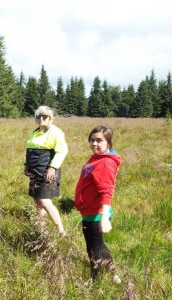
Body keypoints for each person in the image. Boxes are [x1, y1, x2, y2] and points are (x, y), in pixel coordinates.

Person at [75, 125, 121, 283]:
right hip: (91, 211)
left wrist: (103, 218)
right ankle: (114, 273)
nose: (94, 144)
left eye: (99, 140)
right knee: (99, 245)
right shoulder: (98, 157)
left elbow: (106, 191)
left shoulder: (105, 163)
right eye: (92, 140)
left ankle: (96, 281)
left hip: (95, 214)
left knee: (93, 249)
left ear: (108, 142)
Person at [24, 105, 68, 235]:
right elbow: (30, 151)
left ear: (51, 118)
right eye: (38, 116)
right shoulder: (35, 132)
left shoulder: (56, 132)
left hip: (47, 172)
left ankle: (60, 230)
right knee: (37, 200)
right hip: (34, 171)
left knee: (45, 200)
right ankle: (41, 228)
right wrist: (27, 165)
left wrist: (52, 168)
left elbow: (62, 151)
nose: (41, 118)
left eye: (44, 116)